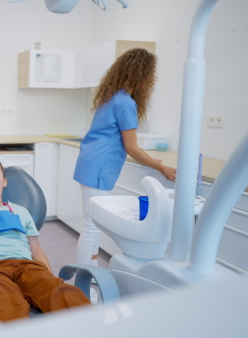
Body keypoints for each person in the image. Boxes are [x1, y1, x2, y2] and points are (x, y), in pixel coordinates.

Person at [0, 153, 91, 322]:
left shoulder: (21, 211)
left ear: (4, 181)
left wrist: (48, 277)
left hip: (27, 267)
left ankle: (88, 327)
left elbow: (36, 251)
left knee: (59, 291)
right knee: (1, 296)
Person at [73, 49, 177, 277]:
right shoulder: (125, 103)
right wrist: (161, 167)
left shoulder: (110, 97)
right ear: (142, 75)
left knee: (91, 226)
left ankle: (88, 275)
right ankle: (84, 280)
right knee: (92, 227)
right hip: (99, 167)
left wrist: (149, 160)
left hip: (91, 162)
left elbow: (123, 143)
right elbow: (132, 147)